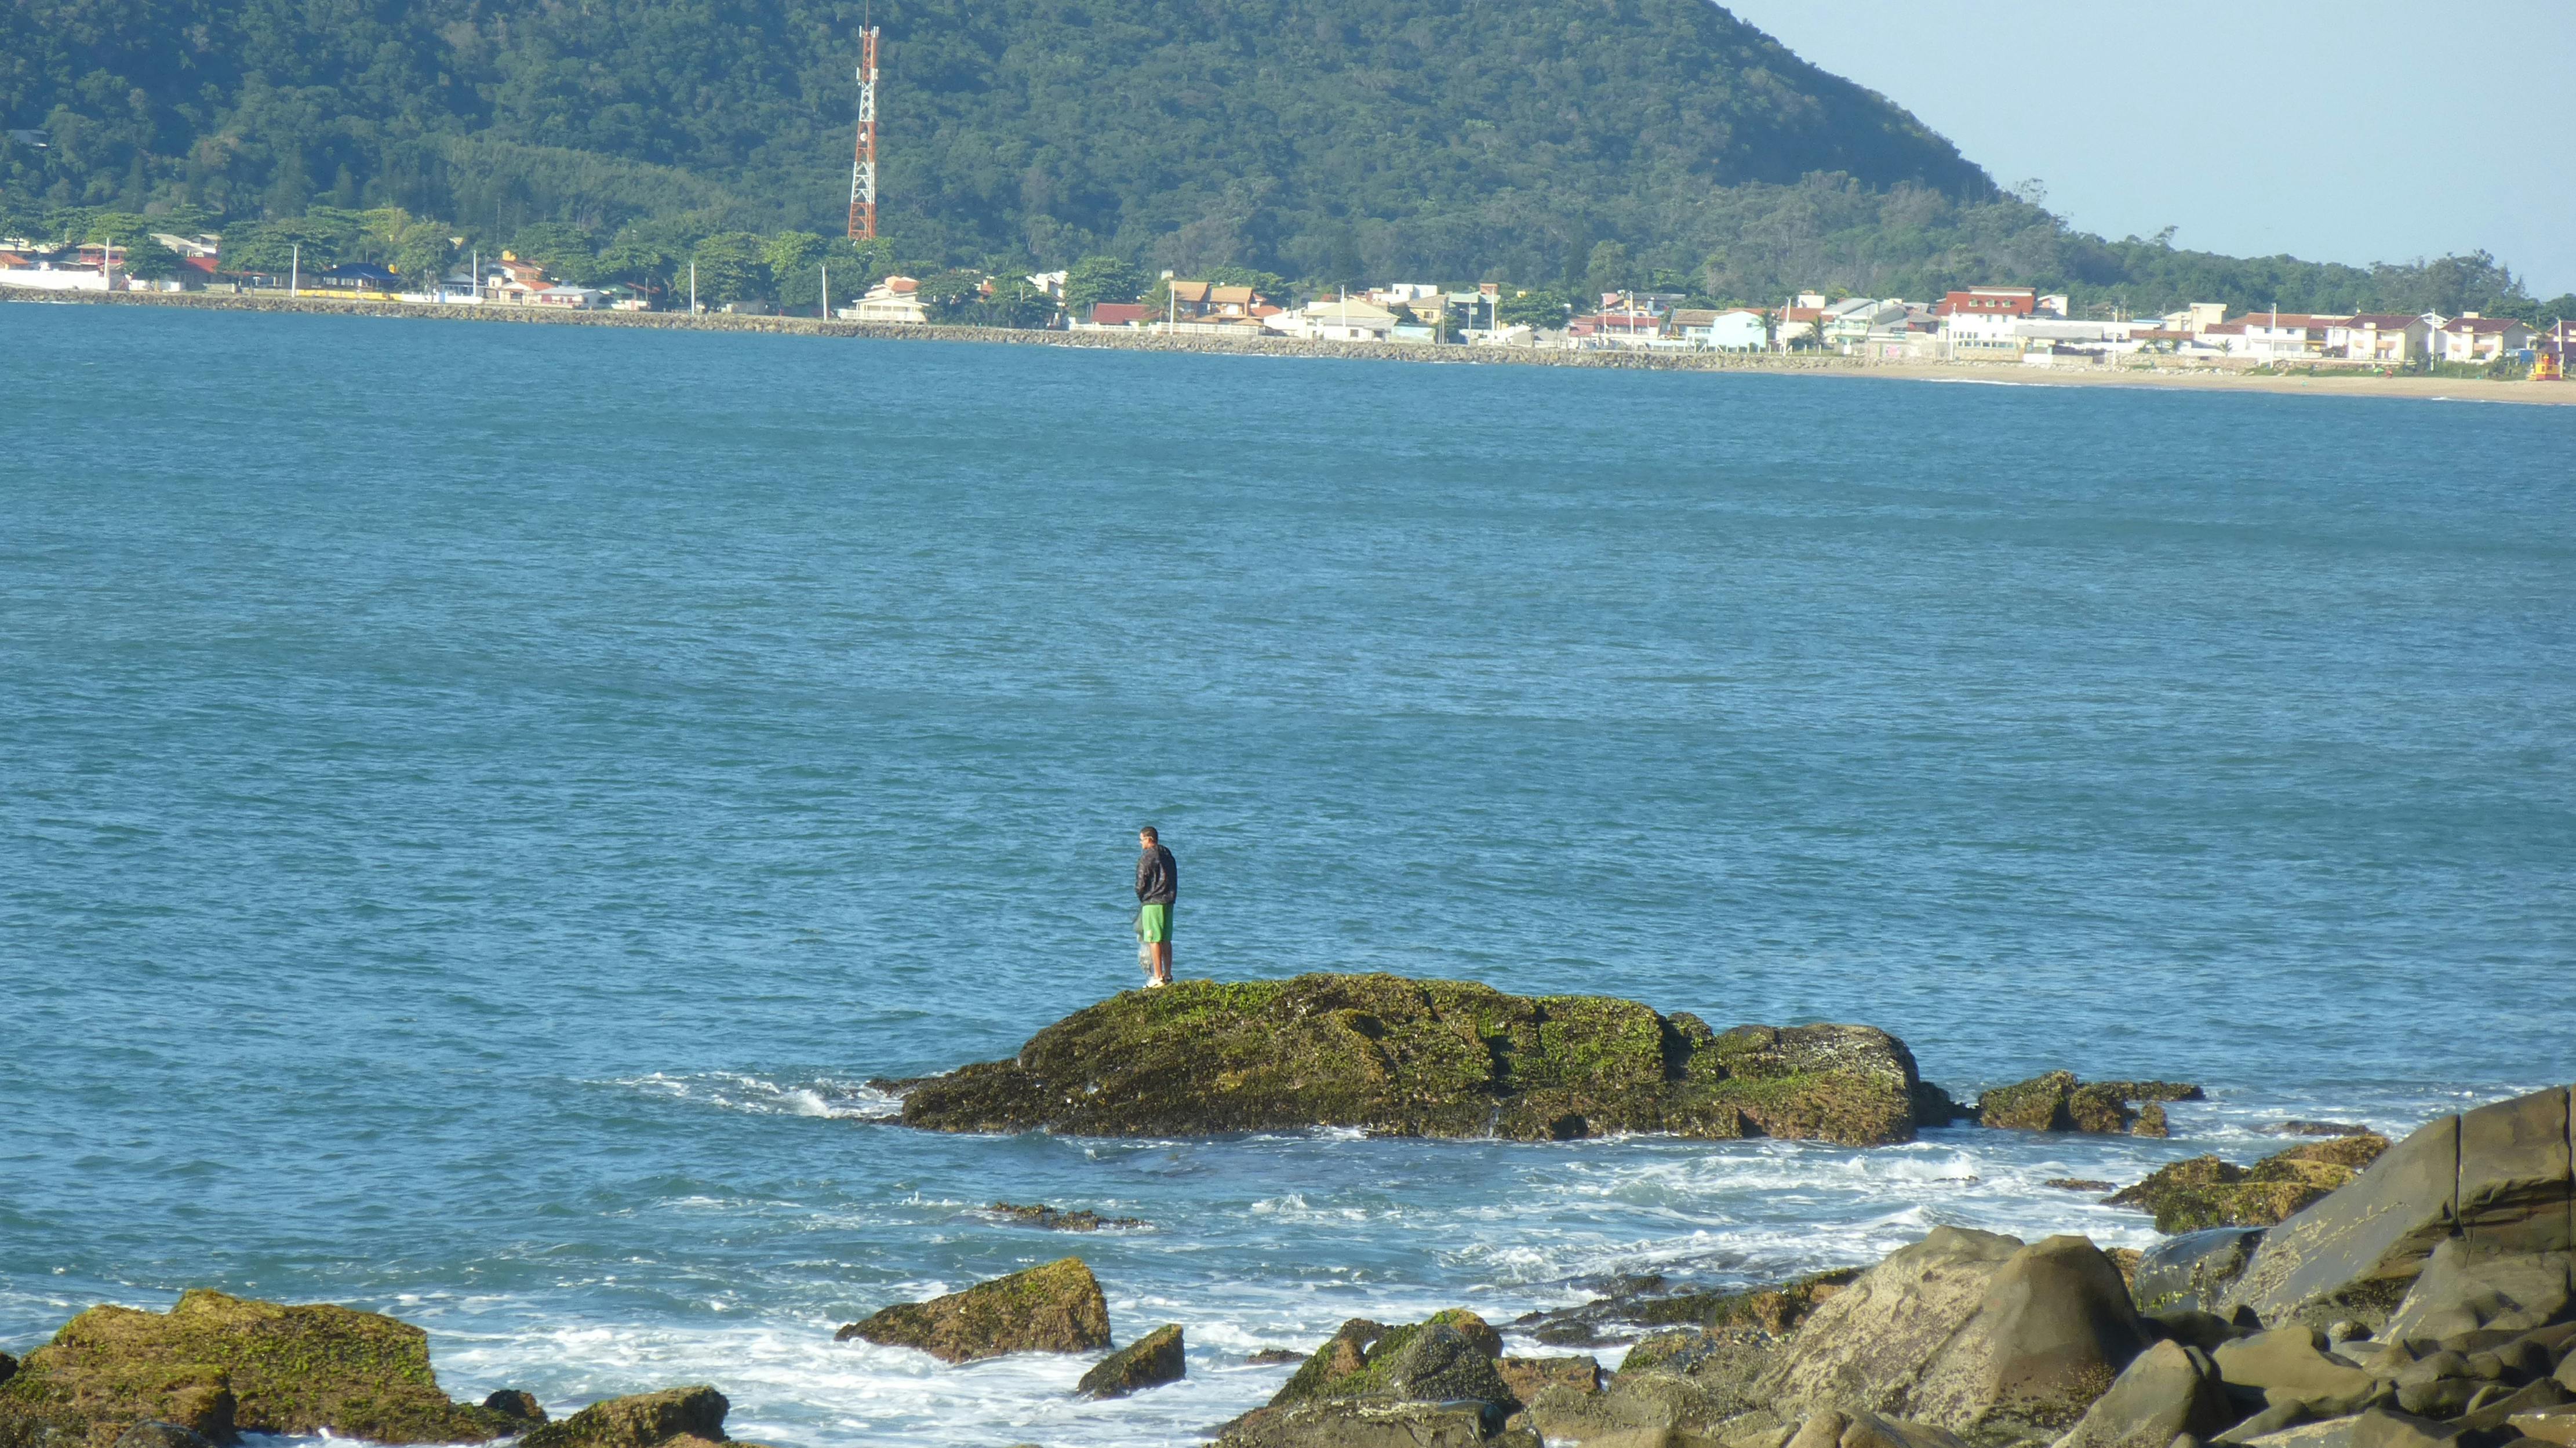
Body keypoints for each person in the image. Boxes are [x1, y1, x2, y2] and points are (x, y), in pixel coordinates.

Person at [1134, 826, 1176, 988]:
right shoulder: (1168, 855)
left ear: (1149, 839)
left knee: (1153, 939)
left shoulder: (1147, 857)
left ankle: (1158, 977)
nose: (1141, 843)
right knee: (1166, 938)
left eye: (1142, 839)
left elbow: (1141, 882)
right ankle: (1168, 974)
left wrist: (1142, 896)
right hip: (1169, 900)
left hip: (1153, 901)